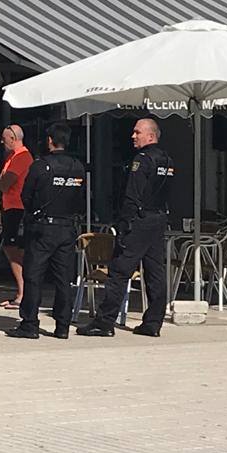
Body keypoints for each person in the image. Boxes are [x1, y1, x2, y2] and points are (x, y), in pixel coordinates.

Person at [78, 118, 173, 338]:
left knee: (119, 271)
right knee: (155, 272)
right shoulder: (167, 160)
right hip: (158, 220)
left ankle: (104, 322)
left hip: (139, 221)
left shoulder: (142, 159)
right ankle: (153, 322)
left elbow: (133, 194)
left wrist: (123, 224)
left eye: (137, 132)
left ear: (150, 136)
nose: (133, 136)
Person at [5, 123, 85, 340]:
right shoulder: (78, 167)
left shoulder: (41, 166)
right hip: (67, 227)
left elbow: (26, 196)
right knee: (63, 279)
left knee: (33, 275)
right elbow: (80, 198)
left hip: (42, 227)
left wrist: (34, 215)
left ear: (50, 140)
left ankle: (29, 324)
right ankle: (62, 326)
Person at [0, 124, 34, 310]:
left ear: (13, 139)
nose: (2, 142)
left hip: (18, 208)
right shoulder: (11, 157)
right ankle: (22, 292)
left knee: (14, 250)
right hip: (11, 207)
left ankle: (23, 293)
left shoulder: (22, 157)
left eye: (4, 138)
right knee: (11, 249)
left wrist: (0, 183)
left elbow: (4, 183)